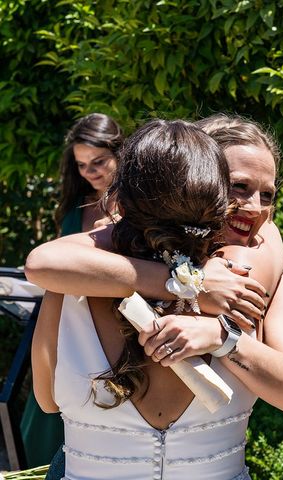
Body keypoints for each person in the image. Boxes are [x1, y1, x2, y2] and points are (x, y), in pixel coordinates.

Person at [27, 119, 283, 479]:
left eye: (268, 195)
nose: (255, 208)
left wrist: (222, 338)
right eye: (238, 187)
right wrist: (186, 283)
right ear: (197, 178)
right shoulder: (78, 273)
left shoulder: (255, 277)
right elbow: (41, 262)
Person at [19, 113, 124, 469]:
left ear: (119, 153)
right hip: (59, 318)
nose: (90, 172)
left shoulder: (136, 208)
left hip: (107, 323)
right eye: (81, 165)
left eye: (98, 162)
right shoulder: (75, 207)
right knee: (45, 404)